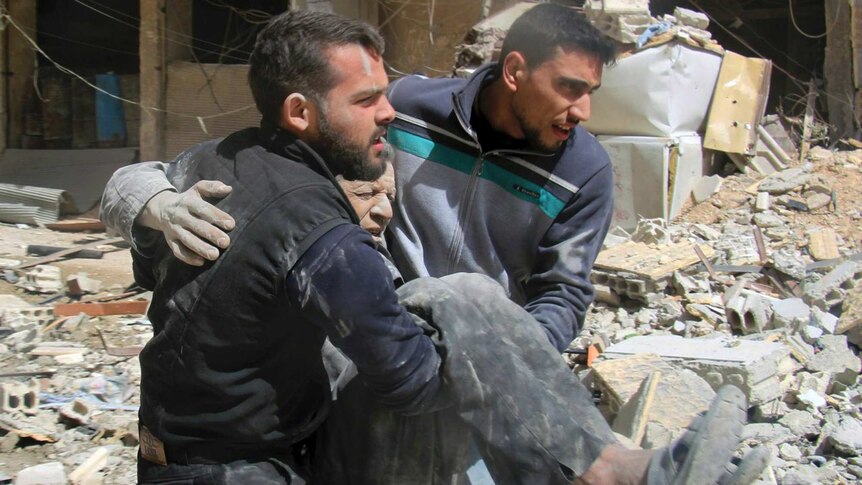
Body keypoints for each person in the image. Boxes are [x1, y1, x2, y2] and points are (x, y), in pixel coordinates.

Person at [101, 7, 768, 485]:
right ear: (514, 70)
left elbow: (563, 292)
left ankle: (605, 466)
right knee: (454, 320)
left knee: (467, 311)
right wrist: (153, 206)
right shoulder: (408, 116)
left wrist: (510, 367)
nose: (583, 111)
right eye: (569, 88)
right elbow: (142, 177)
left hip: (442, 348)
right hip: (342, 358)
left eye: (593, 93)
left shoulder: (583, 170)